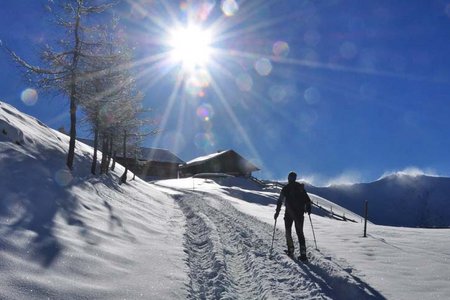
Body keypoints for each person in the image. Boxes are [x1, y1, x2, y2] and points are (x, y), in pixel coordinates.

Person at [274, 171, 312, 261]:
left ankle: (290, 250)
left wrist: (277, 212)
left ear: (288, 178)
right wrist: (309, 209)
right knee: (300, 233)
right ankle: (303, 254)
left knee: (288, 231)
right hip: (299, 214)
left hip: (289, 213)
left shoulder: (286, 188)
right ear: (295, 178)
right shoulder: (300, 187)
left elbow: (280, 201)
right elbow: (307, 200)